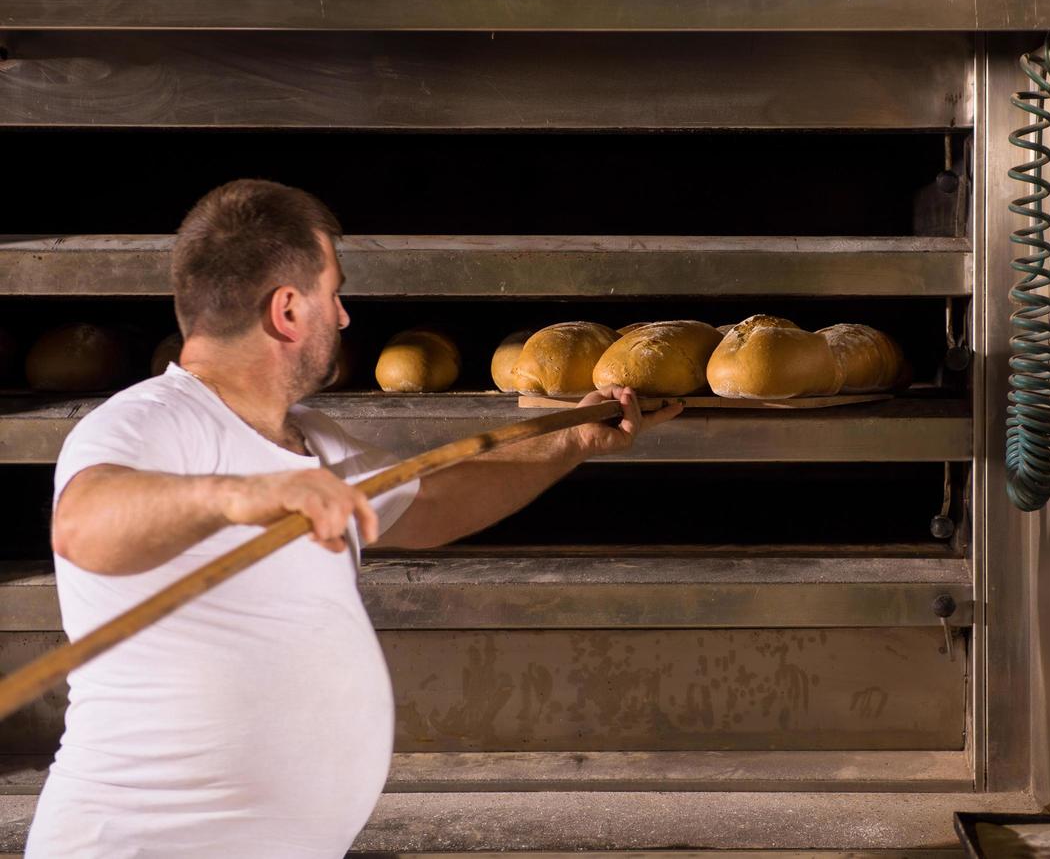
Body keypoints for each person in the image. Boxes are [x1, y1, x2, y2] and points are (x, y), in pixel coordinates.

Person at [24, 179, 681, 858]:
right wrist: (236, 495)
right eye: (333, 293)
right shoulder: (150, 421)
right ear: (286, 310)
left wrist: (574, 437)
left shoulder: (312, 440)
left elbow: (432, 502)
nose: (341, 317)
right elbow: (86, 525)